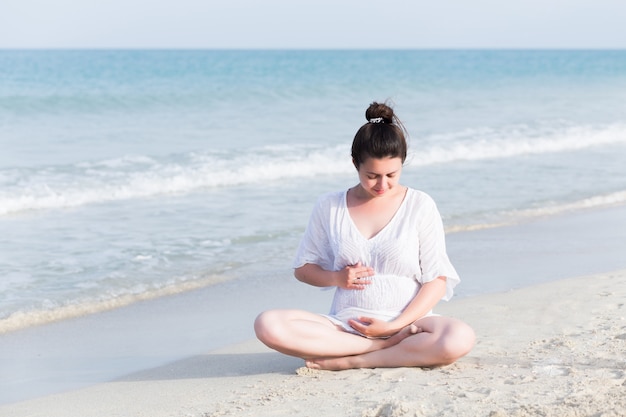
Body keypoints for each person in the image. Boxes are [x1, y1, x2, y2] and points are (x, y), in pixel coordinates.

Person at [254, 101, 475, 371]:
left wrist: (396, 325)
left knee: (459, 338)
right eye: (372, 176)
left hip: (409, 325)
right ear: (354, 164)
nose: (382, 185)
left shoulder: (419, 204)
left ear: (402, 164)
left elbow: (437, 280)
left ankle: (355, 359)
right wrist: (336, 278)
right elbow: (303, 269)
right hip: (346, 325)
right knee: (268, 325)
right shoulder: (330, 206)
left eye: (391, 174)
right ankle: (380, 347)